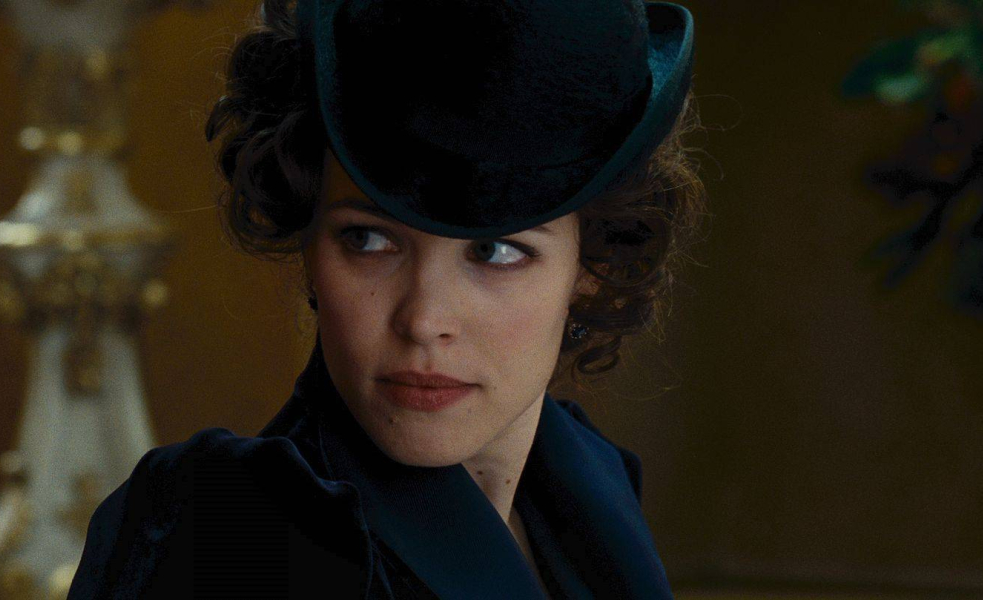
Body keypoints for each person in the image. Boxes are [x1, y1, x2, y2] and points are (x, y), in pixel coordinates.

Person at [67, 0, 707, 597]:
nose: (424, 320)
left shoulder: (589, 491)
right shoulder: (226, 533)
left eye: (495, 251)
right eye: (369, 240)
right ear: (309, 240)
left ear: (594, 264)